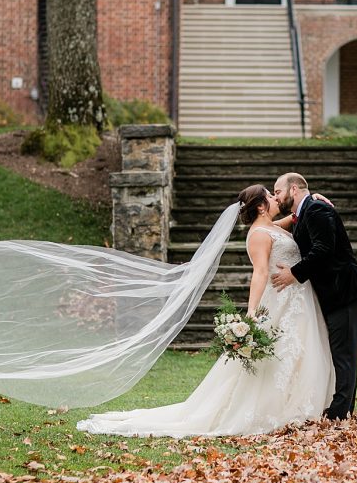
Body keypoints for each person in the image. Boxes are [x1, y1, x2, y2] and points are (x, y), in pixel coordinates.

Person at [74, 185, 335, 436]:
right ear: (260, 207)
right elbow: (260, 273)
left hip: (298, 299)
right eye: (270, 195)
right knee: (278, 355)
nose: (275, 197)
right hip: (280, 299)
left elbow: (294, 217)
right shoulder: (258, 234)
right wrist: (252, 311)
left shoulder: (270, 227)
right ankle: (276, 409)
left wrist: (312, 200)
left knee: (298, 351)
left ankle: (300, 404)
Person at [271, 173, 357, 420]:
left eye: (278, 191)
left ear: (293, 189)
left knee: (343, 354)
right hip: (333, 294)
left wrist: (294, 273)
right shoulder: (306, 211)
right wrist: (262, 224)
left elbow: (323, 250)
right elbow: (292, 223)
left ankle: (339, 411)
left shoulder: (316, 210)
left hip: (344, 291)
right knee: (340, 352)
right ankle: (342, 409)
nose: (276, 197)